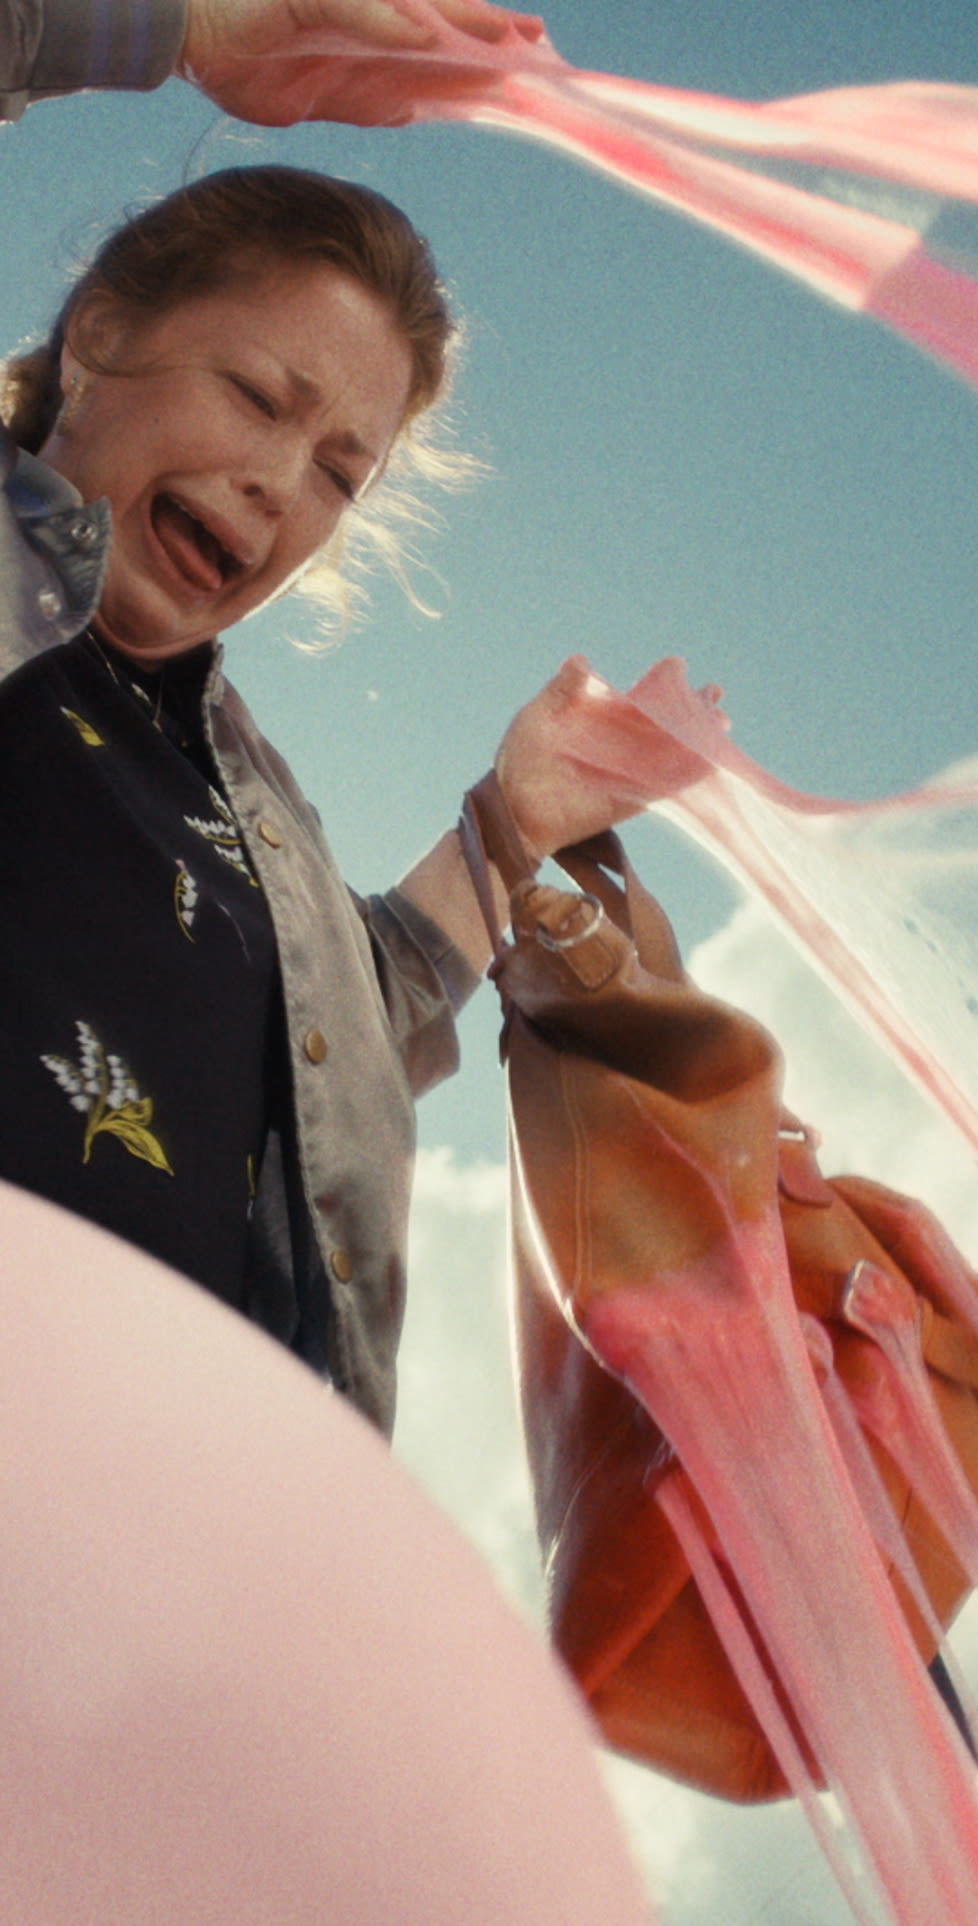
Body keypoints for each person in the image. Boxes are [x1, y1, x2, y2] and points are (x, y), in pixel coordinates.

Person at [0, 0, 648, 1435]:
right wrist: (173, 27)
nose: (280, 484)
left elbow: (351, 1021)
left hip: (188, 1538)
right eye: (256, 395)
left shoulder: (247, 800)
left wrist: (514, 819)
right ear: (101, 330)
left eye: (341, 471)